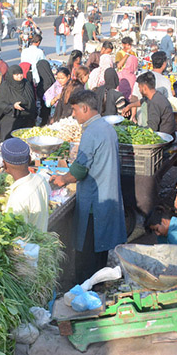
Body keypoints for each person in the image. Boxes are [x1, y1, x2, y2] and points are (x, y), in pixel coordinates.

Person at [50, 90, 126, 281]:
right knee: (99, 252)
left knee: (87, 256)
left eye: (75, 110)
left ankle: (85, 291)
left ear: (84, 108)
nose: (73, 115)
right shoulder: (106, 127)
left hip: (95, 202)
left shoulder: (91, 132)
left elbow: (80, 170)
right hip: (107, 194)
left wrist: (63, 179)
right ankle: (98, 286)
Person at [1, 138, 51, 231]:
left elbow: (15, 234)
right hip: (41, 239)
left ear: (4, 165)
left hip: (29, 245)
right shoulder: (41, 179)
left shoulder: (18, 198)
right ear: (29, 160)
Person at [0, 65, 37, 144]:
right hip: (10, 120)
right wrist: (12, 106)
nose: (20, 76)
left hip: (26, 119)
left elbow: (32, 99)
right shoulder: (5, 87)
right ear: (11, 75)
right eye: (16, 74)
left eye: (21, 73)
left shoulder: (26, 83)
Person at [126, 71, 176, 136]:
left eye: (139, 87)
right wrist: (129, 106)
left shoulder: (155, 102)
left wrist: (135, 131)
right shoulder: (155, 95)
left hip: (164, 137)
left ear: (144, 88)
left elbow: (152, 128)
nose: (139, 90)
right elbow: (142, 101)